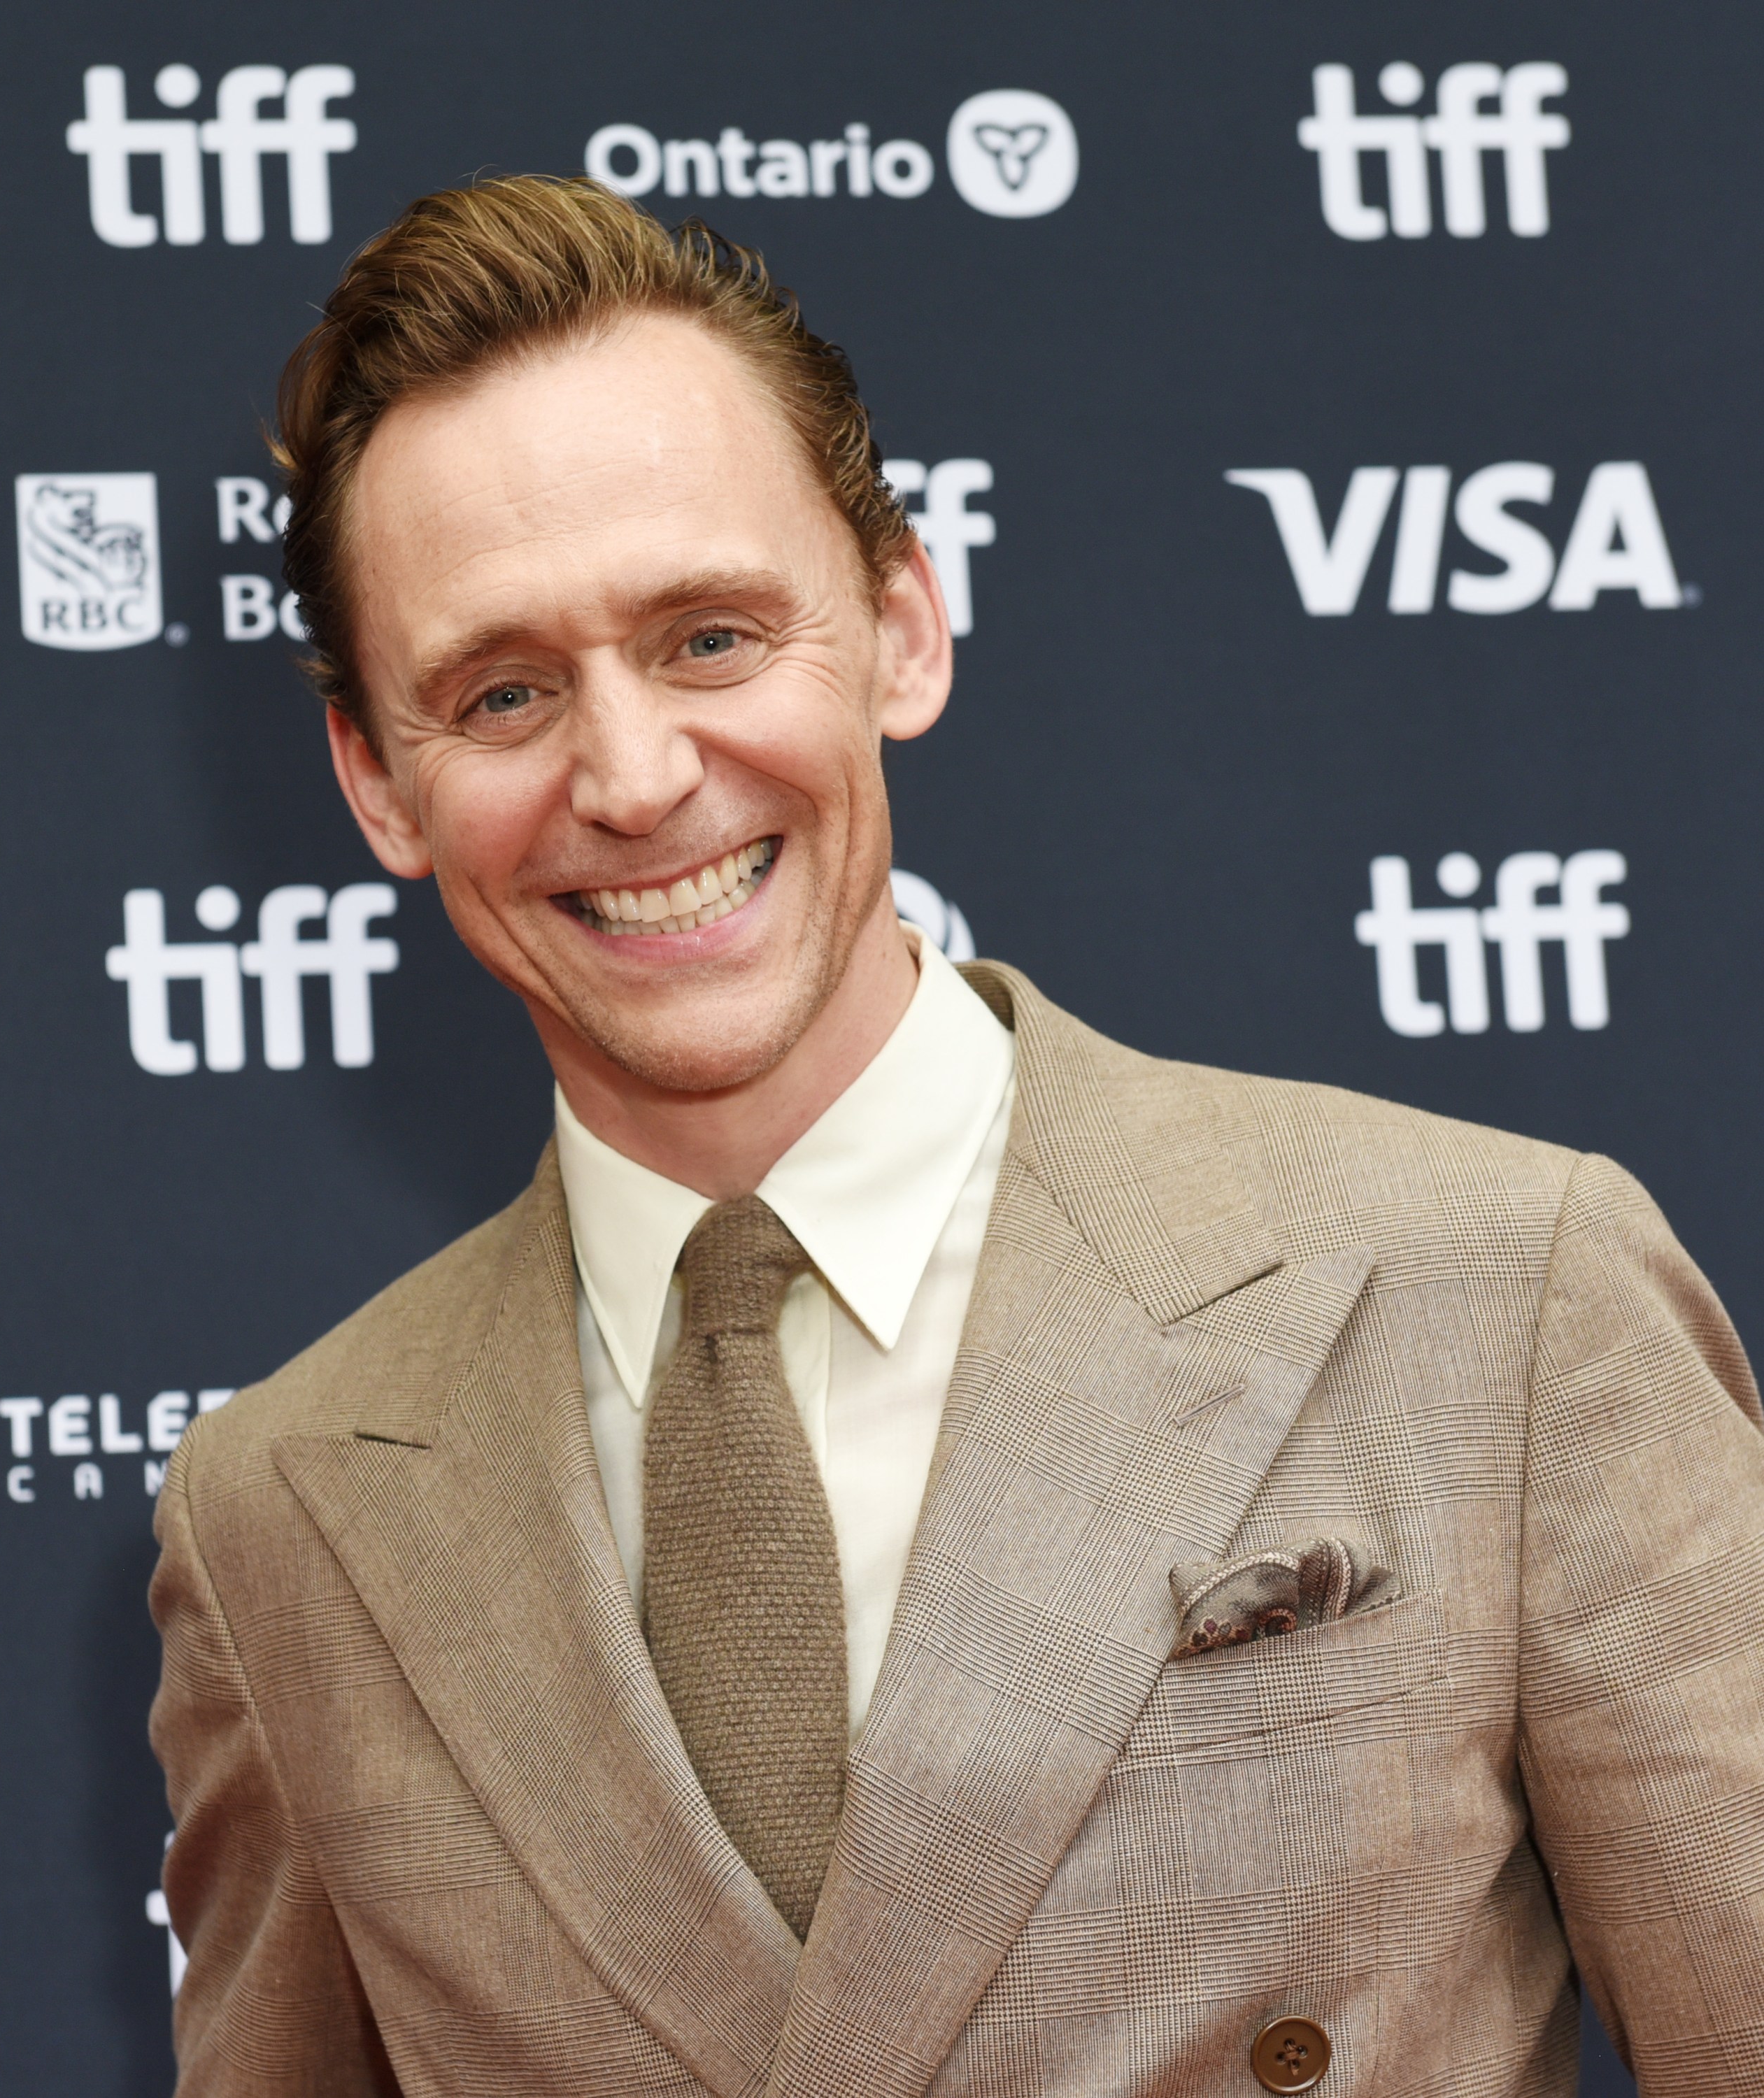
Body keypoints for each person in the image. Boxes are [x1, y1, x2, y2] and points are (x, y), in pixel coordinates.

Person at [148, 176, 1764, 2098]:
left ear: (902, 625)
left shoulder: (1504, 1296)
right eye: (503, 692)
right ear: (376, 782)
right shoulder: (280, 1517)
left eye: (712, 637)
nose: (636, 775)